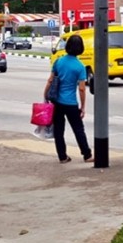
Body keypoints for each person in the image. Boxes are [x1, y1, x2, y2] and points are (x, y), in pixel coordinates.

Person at [42, 34, 93, 164]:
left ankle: (62, 157)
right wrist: (82, 107)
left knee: (59, 130)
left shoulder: (58, 61)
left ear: (67, 46)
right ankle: (87, 155)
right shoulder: (80, 67)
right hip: (70, 103)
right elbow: (81, 89)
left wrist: (45, 96)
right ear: (81, 48)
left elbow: (50, 80)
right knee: (78, 129)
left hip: (56, 102)